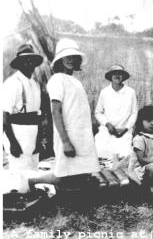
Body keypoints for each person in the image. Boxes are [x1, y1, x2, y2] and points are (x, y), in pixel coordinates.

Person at [46, 38, 100, 185]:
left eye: (73, 57)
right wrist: (65, 142)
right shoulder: (57, 79)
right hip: (68, 135)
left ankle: (81, 202)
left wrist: (92, 124)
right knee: (64, 174)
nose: (70, 60)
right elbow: (56, 112)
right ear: (59, 60)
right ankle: (29, 182)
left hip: (81, 135)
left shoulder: (75, 81)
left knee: (81, 174)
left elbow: (79, 108)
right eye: (66, 57)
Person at [3, 44, 43, 175]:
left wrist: (39, 139)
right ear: (19, 63)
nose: (29, 63)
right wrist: (12, 142)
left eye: (31, 60)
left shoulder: (35, 83)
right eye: (25, 60)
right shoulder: (12, 83)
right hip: (18, 133)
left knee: (33, 172)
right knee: (20, 174)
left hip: (33, 132)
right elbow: (4, 116)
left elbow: (38, 114)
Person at [94, 65, 138, 169]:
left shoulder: (130, 92)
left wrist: (126, 128)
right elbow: (98, 112)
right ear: (110, 76)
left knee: (125, 156)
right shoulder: (105, 92)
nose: (117, 76)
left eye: (120, 74)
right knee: (99, 154)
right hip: (107, 131)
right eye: (115, 73)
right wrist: (107, 124)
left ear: (123, 77)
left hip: (124, 132)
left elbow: (134, 113)